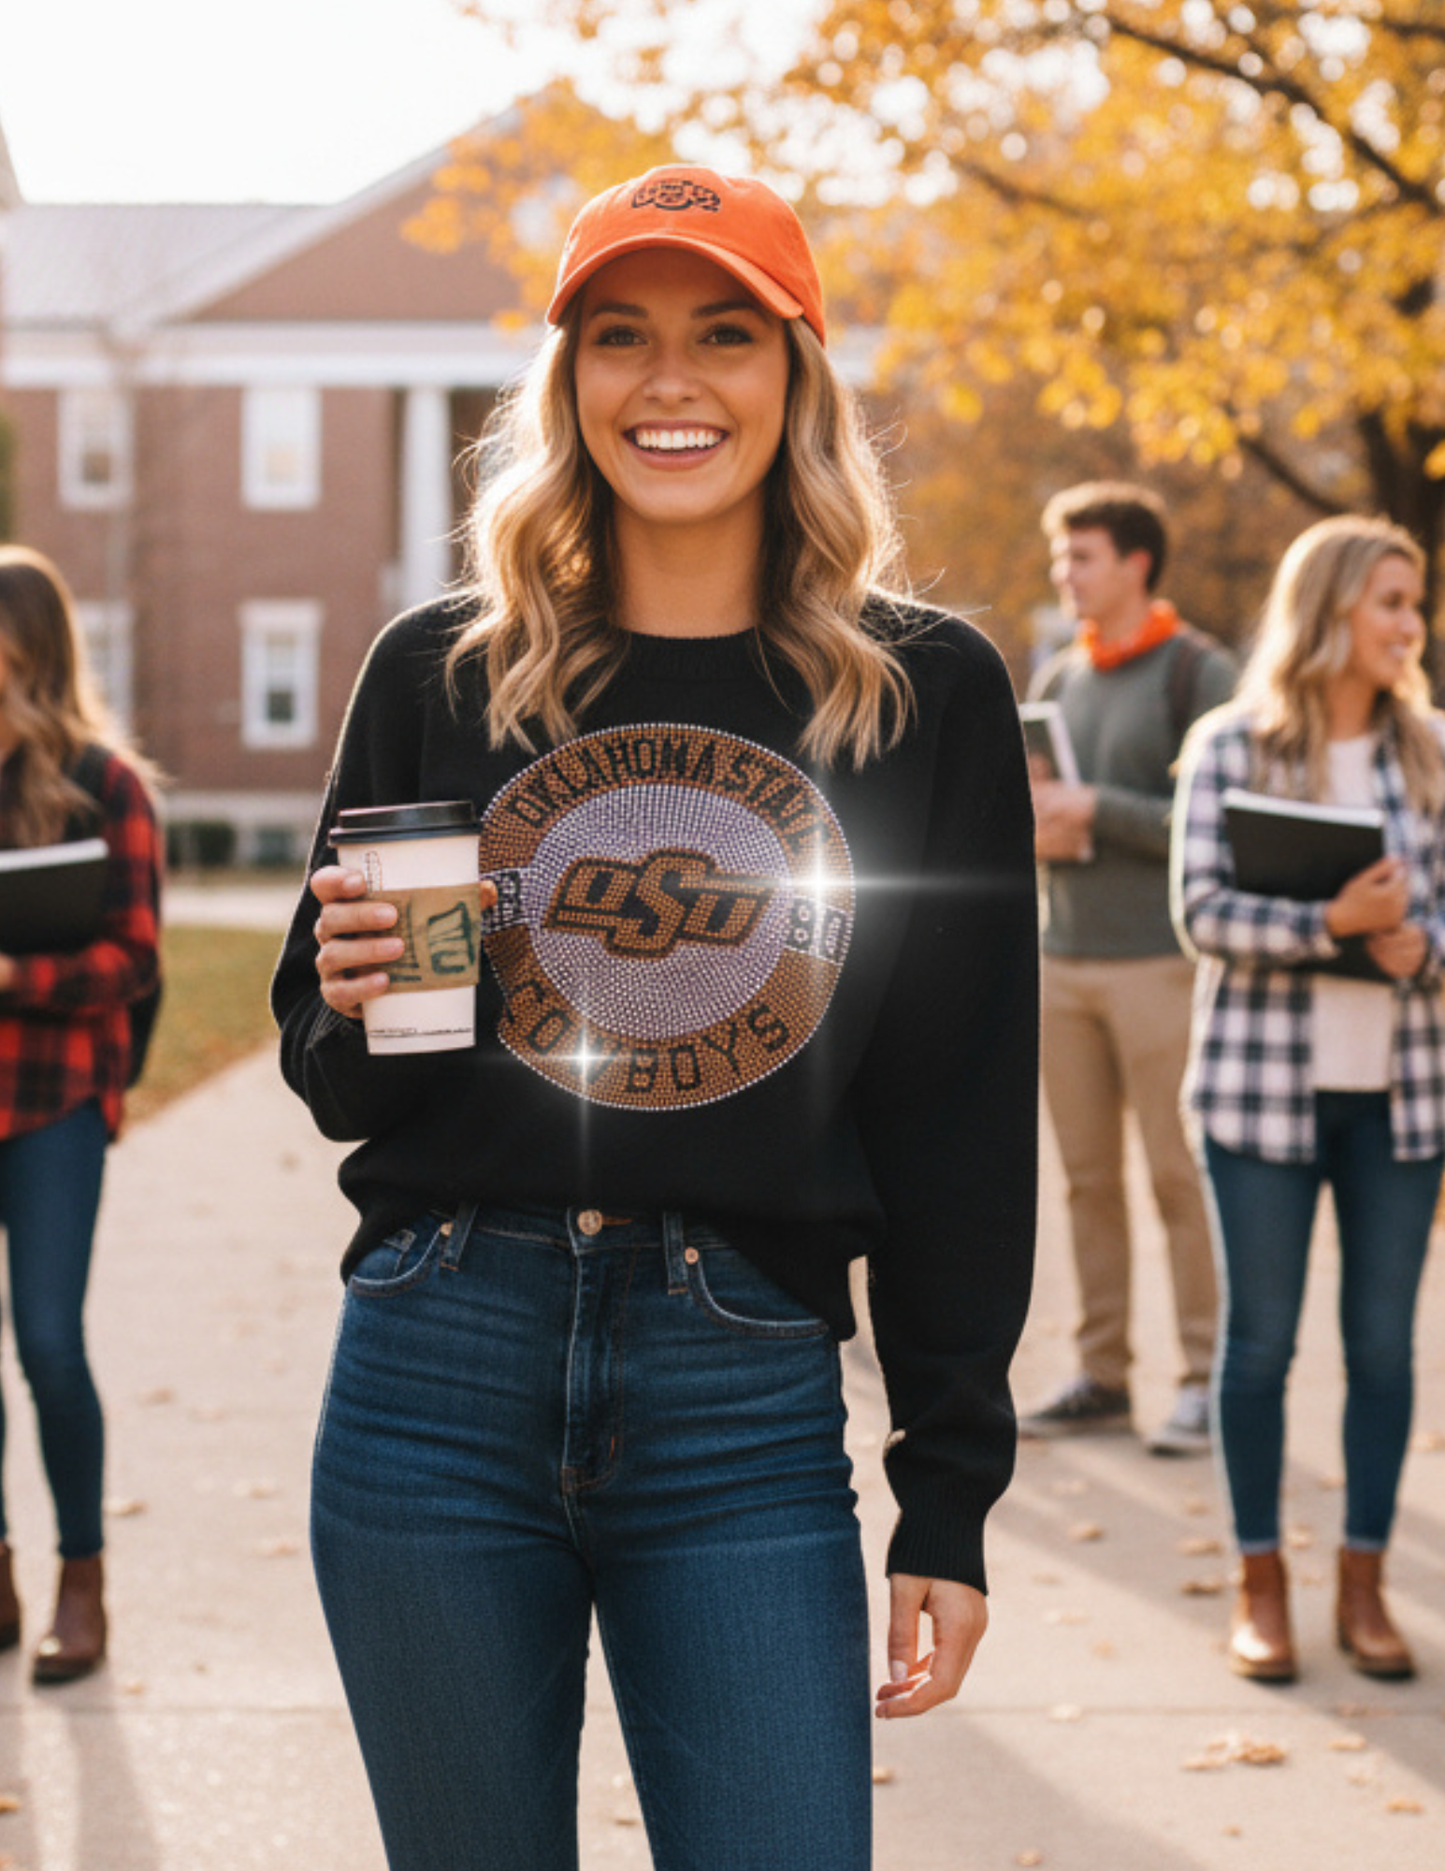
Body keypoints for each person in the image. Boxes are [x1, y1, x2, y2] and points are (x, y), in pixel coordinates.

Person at [271, 164, 1038, 1870]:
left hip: (739, 1382)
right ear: (567, 385)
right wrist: (353, 1004)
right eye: (620, 337)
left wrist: (951, 1494)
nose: (670, 382)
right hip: (433, 1363)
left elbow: (959, 1118)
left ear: (798, 376)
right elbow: (345, 1084)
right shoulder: (442, 673)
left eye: (723, 337)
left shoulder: (922, 696)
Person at [1172, 514, 1443, 1683]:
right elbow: (1200, 914)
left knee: (1380, 1352)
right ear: (1329, 604)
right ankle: (1258, 1584)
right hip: (1258, 1098)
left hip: (1399, 1100)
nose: (1407, 624)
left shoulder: (1431, 750)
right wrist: (1327, 924)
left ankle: (1363, 1583)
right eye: (1389, 599)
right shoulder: (1230, 744)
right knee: (1258, 1348)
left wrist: (1413, 948)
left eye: (1413, 602)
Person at [1019, 482, 1235, 1454]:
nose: (1064, 574)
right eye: (1060, 558)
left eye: (1082, 557)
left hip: (1160, 962)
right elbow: (1052, 811)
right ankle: (1100, 1375)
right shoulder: (1061, 677)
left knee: (1177, 1178)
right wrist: (1041, 823)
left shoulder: (1199, 672)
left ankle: (1206, 1376)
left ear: (1135, 562)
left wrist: (1091, 808)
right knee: (1082, 1182)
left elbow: (1214, 825)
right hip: (1059, 959)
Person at [0, 545, 162, 1684]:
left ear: (38, 661)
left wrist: (14, 976)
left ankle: (82, 1575)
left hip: (51, 1098)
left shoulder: (107, 786)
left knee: (50, 1344)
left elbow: (136, 959)